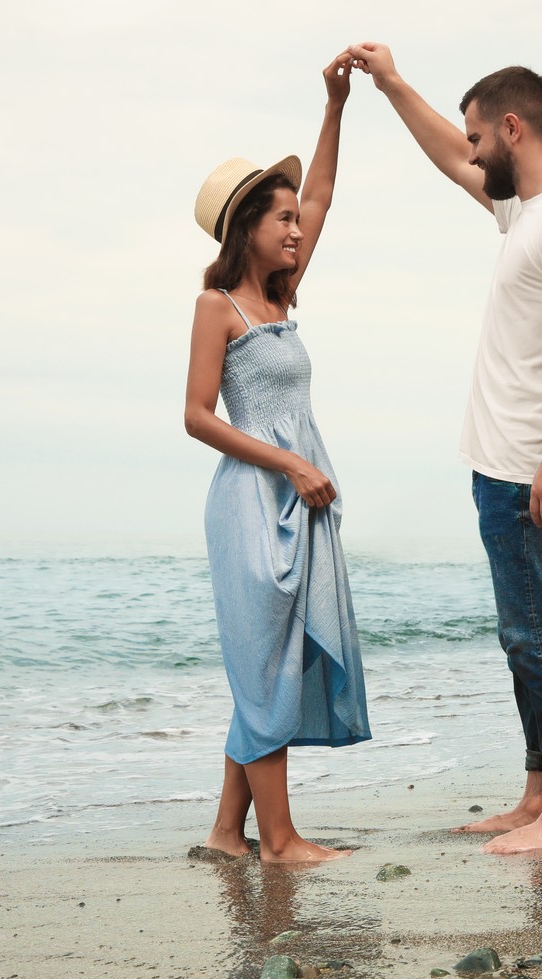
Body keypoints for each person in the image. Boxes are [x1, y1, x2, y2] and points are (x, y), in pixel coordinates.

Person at [348, 43, 542, 854]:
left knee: (540, 636)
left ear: (512, 128)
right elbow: (443, 155)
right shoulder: (526, 212)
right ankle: (538, 792)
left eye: (478, 137)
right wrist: (392, 84)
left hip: (536, 470)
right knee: (522, 636)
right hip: (506, 467)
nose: (470, 151)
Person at [184, 52, 369, 864]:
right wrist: (289, 464)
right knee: (264, 663)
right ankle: (279, 837)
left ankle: (229, 833)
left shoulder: (283, 297)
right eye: (281, 218)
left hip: (302, 498)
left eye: (297, 218)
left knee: (274, 661)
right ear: (245, 228)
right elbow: (195, 416)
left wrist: (335, 107)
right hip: (252, 504)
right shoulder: (216, 307)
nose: (297, 227)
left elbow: (325, 192)